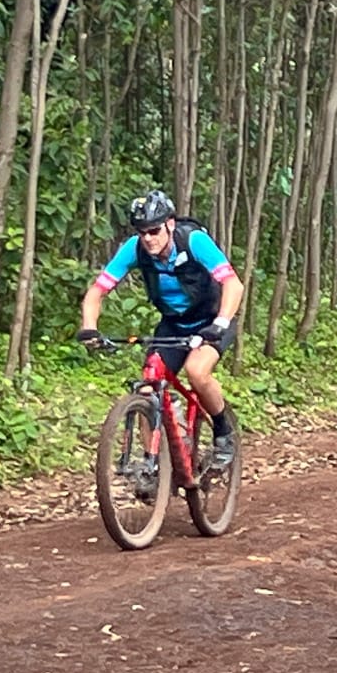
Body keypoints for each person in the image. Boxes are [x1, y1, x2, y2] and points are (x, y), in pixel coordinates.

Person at [78, 191, 246, 467]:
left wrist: (220, 323)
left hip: (212, 320)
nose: (148, 238)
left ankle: (223, 432)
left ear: (169, 224)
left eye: (154, 230)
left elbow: (233, 284)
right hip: (173, 324)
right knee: (148, 385)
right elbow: (98, 291)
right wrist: (89, 328)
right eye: (142, 232)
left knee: (197, 371)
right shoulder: (135, 248)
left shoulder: (193, 241)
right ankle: (152, 464)